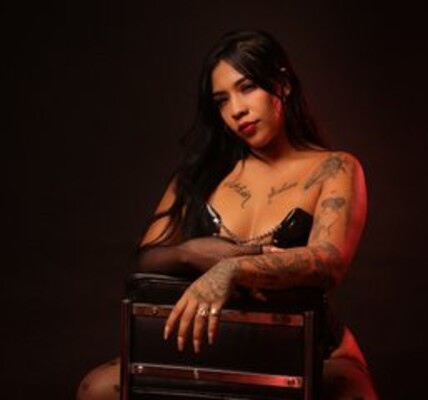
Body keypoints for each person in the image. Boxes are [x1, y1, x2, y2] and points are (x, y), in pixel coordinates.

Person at [77, 30, 378, 400]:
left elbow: (328, 262)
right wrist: (193, 253)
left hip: (309, 345)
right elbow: (145, 261)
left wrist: (233, 268)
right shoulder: (199, 175)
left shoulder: (335, 167)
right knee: (97, 389)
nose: (236, 110)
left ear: (282, 86)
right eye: (222, 100)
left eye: (247, 87)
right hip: (213, 345)